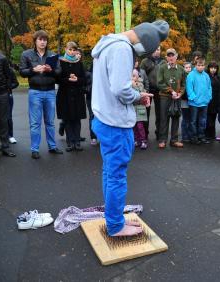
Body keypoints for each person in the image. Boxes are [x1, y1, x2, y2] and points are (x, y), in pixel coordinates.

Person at [91, 20, 167, 236]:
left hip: (103, 119)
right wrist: (138, 96)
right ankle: (115, 226)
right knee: (116, 176)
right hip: (116, 124)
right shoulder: (123, 49)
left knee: (109, 172)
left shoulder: (106, 42)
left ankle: (113, 218)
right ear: (145, 44)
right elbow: (121, 90)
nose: (139, 57)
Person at [19, 30, 63, 159]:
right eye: (40, 39)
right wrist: (33, 69)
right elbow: (22, 72)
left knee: (50, 122)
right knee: (35, 123)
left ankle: (52, 146)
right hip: (35, 91)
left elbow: (59, 72)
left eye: (45, 40)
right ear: (35, 41)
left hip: (50, 91)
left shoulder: (53, 55)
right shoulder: (26, 54)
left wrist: (51, 70)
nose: (43, 42)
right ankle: (35, 149)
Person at [56, 41, 86, 152]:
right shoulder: (60, 62)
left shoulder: (79, 62)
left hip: (77, 94)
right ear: (66, 49)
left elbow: (84, 79)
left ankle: (77, 142)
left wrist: (77, 79)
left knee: (77, 120)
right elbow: (57, 78)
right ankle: (70, 142)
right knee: (68, 119)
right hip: (65, 94)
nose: (72, 52)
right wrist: (67, 79)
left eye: (74, 50)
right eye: (70, 49)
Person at [0, 34, 16, 162]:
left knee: (3, 121)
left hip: (1, 94)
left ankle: (5, 147)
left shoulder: (2, 58)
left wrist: (6, 90)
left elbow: (9, 76)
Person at [156, 48, 185, 148]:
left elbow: (183, 84)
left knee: (176, 117)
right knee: (164, 118)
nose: (171, 57)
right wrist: (171, 91)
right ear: (166, 57)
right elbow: (159, 83)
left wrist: (180, 93)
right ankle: (162, 140)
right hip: (165, 97)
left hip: (177, 97)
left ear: (176, 56)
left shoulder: (181, 69)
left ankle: (174, 140)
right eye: (169, 55)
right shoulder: (162, 68)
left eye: (173, 55)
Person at [140, 45, 165, 139]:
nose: (156, 51)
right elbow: (141, 76)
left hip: (160, 91)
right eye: (154, 50)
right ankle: (144, 134)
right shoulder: (145, 61)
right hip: (148, 90)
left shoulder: (163, 62)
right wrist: (144, 90)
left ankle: (159, 133)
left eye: (158, 49)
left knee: (160, 113)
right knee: (146, 112)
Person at [186, 58, 212, 145]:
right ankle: (193, 137)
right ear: (195, 65)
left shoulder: (206, 75)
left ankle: (201, 136)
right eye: (198, 65)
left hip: (204, 102)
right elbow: (189, 88)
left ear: (204, 66)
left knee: (203, 121)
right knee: (193, 121)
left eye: (202, 65)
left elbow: (209, 87)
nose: (200, 67)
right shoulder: (191, 75)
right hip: (194, 103)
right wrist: (194, 98)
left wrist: (209, 97)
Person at [132, 69, 150, 149]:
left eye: (134, 76)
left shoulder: (140, 84)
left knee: (140, 125)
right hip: (132, 108)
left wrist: (134, 85)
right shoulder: (128, 85)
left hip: (140, 107)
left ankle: (143, 140)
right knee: (134, 125)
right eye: (131, 76)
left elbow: (140, 93)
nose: (132, 78)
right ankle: (136, 140)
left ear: (137, 76)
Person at [205, 61, 220, 141]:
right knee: (208, 119)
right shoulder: (206, 76)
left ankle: (212, 135)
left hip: (215, 101)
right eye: (211, 68)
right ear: (209, 68)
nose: (213, 70)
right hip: (208, 100)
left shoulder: (217, 77)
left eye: (215, 68)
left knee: (213, 118)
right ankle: (206, 135)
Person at [84, 62, 97, 145]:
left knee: (103, 118)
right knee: (92, 117)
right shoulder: (89, 74)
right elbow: (85, 87)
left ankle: (102, 137)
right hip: (91, 97)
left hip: (102, 99)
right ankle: (93, 137)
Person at [181, 62, 193, 142]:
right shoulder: (182, 77)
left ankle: (190, 135)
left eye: (189, 67)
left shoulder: (193, 76)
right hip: (184, 100)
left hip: (192, 101)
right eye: (186, 67)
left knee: (191, 118)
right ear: (183, 68)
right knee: (185, 118)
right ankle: (185, 136)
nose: (188, 69)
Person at [7, 66, 19, 144]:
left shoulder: (9, 70)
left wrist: (8, 87)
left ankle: (10, 136)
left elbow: (16, 83)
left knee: (8, 116)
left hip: (7, 95)